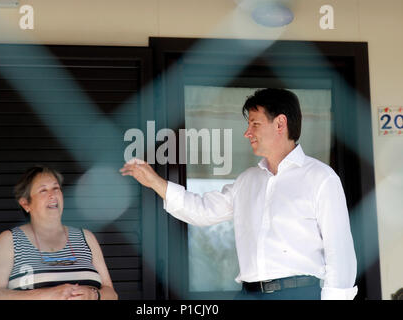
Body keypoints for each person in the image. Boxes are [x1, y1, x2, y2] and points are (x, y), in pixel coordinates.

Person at [120, 88, 358, 300]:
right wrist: (154, 182)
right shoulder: (247, 180)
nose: (247, 133)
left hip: (300, 293)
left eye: (254, 124)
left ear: (280, 124)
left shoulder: (321, 178)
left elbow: (341, 254)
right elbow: (202, 211)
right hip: (248, 293)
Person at [0, 165, 118, 300]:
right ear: (25, 204)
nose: (52, 195)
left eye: (56, 188)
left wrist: (93, 295)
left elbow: (112, 294)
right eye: (43, 190)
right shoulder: (10, 239)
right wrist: (47, 294)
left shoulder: (86, 237)